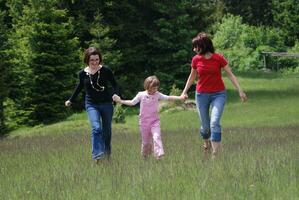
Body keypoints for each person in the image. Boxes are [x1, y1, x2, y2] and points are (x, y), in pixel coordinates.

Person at [181, 32, 247, 158]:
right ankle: (206, 142)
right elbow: (192, 76)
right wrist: (184, 91)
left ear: (203, 46)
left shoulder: (218, 58)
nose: (194, 49)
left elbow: (230, 74)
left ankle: (215, 154)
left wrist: (240, 90)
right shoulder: (196, 60)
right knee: (206, 127)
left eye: (196, 46)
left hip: (218, 94)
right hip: (201, 95)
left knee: (214, 122)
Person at [65, 47, 119, 162]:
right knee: (96, 128)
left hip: (106, 104)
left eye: (97, 59)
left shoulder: (106, 70)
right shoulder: (82, 74)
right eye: (92, 60)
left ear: (100, 59)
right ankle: (97, 155)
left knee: (107, 132)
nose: (94, 62)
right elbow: (79, 87)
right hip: (91, 104)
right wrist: (71, 99)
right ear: (87, 60)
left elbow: (114, 84)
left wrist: (115, 94)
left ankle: (107, 156)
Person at [113, 75, 185, 160]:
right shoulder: (141, 94)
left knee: (156, 136)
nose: (155, 90)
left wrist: (180, 97)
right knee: (146, 143)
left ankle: (158, 155)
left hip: (155, 121)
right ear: (147, 86)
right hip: (144, 123)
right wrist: (120, 101)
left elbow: (168, 97)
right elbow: (132, 102)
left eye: (156, 88)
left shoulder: (157, 94)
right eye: (153, 88)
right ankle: (145, 157)